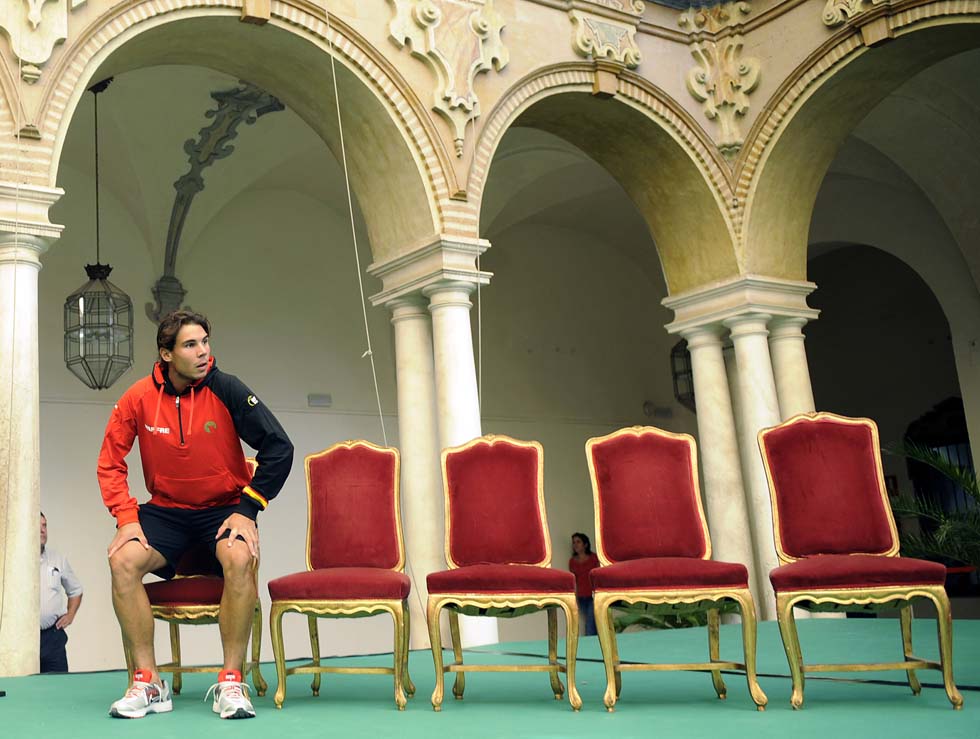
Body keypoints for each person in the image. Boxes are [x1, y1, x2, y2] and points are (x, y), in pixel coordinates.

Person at [97, 310, 293, 720]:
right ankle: (148, 682)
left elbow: (279, 448)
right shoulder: (138, 397)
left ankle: (232, 681)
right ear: (166, 354)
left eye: (205, 341)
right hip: (166, 512)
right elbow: (110, 462)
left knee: (238, 556)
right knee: (122, 560)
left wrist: (248, 509)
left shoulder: (227, 388)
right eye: (191, 344)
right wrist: (126, 518)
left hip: (224, 508)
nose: (203, 351)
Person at [39, 512, 83, 673]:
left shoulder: (57, 559)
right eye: (37, 526)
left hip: (52, 639)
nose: (43, 530)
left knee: (59, 685)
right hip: (21, 641)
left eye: (44, 525)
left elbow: (76, 590)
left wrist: (70, 615)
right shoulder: (10, 560)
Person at [568, 532, 600, 637]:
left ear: (585, 544)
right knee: (593, 623)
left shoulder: (594, 558)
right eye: (574, 542)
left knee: (590, 625)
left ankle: (590, 644)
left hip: (593, 596)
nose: (575, 545)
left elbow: (598, 576)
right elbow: (574, 581)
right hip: (582, 597)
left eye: (578, 542)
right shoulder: (572, 562)